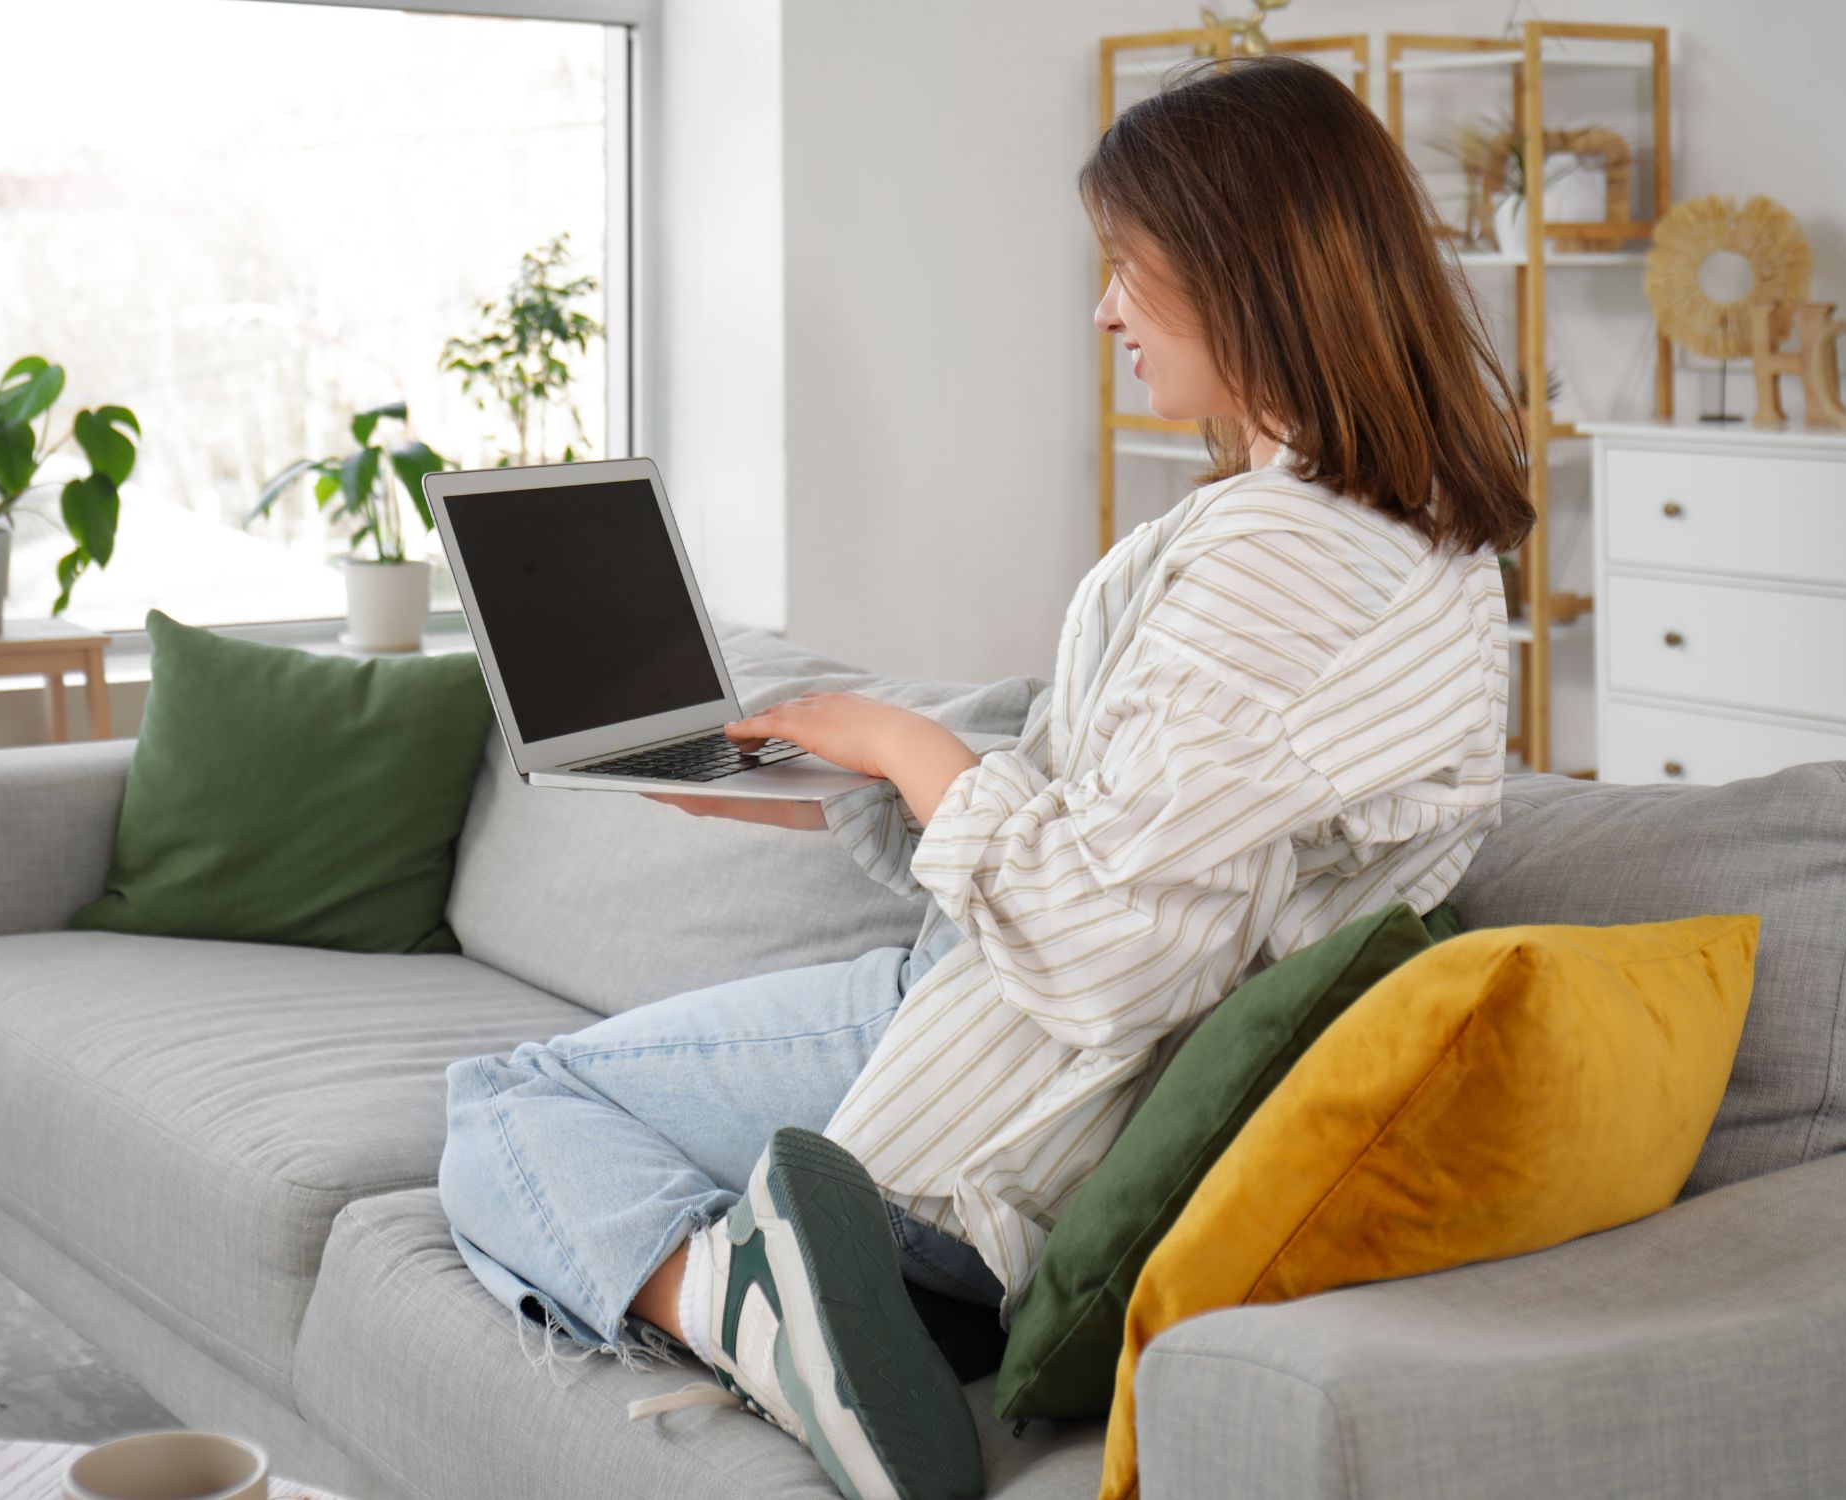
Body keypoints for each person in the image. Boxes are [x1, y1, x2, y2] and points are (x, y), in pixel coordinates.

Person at [437, 52, 1535, 1500]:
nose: (1103, 311)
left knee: (507, 1105)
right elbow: (1147, 821)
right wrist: (848, 775)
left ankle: (750, 1310)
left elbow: (1111, 954)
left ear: (1243, 271)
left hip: (1012, 1096)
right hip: (1007, 1032)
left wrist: (908, 748)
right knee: (565, 1108)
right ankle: (814, 1299)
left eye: (1125, 269)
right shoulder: (1402, 540)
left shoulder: (1287, 559)